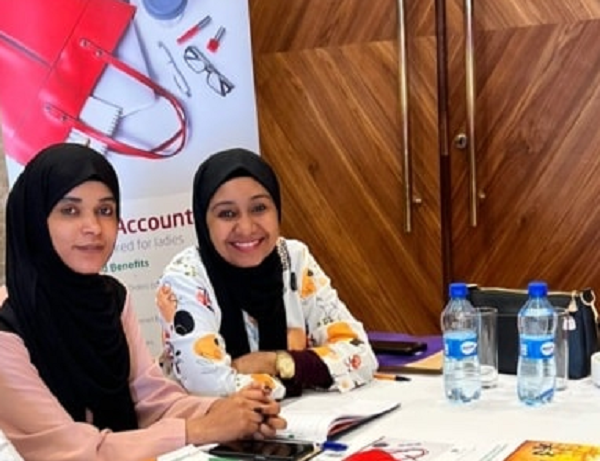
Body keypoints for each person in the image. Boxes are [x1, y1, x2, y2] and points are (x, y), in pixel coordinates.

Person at [0, 143, 285, 461]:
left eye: (105, 211)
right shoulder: (7, 323)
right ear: (35, 220)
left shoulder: (111, 298)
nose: (93, 227)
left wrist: (233, 412)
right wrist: (199, 429)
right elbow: (70, 451)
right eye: (70, 210)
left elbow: (152, 399)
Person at [156, 147, 378, 400]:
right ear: (203, 220)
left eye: (259, 208)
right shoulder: (185, 277)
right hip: (211, 424)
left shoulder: (293, 259)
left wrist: (275, 362)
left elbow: (361, 356)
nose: (246, 227)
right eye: (227, 213)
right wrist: (304, 375)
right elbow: (207, 385)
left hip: (303, 419)